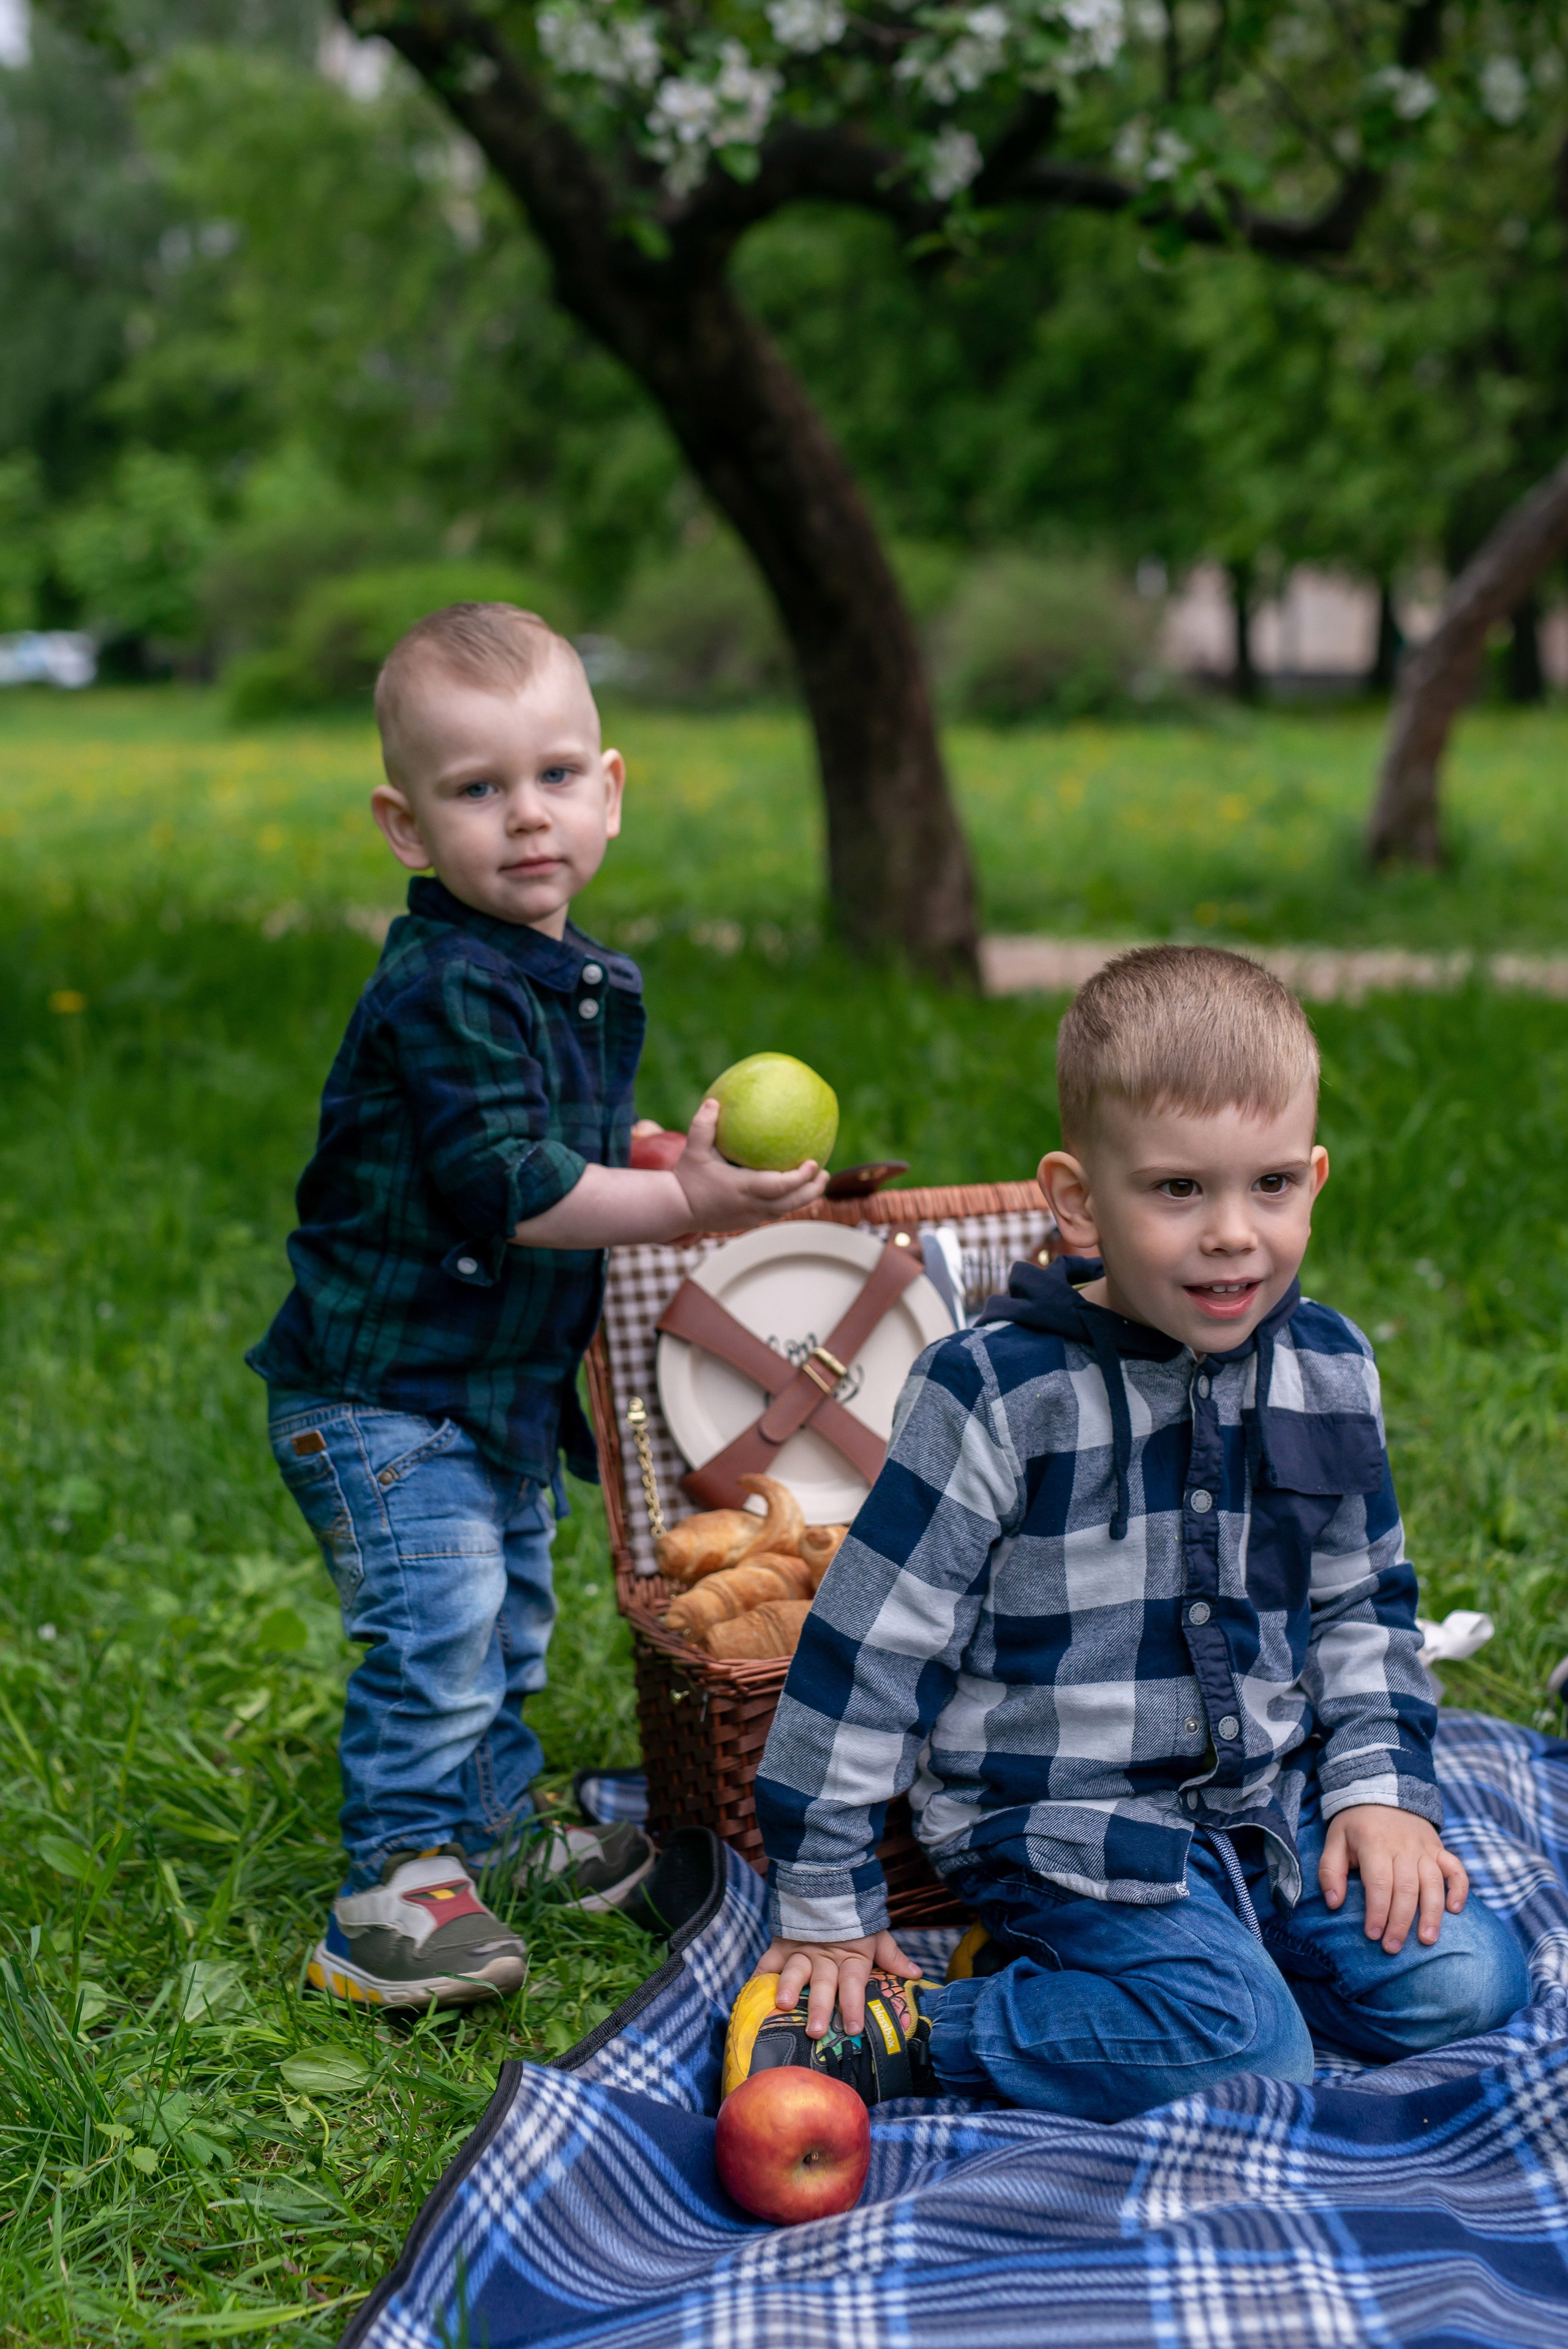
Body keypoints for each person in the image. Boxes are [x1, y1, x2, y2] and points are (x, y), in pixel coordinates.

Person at [729, 946, 1528, 2117]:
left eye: (1270, 1186)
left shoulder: (1328, 1369)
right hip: (1068, 1826)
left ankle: (1146, 1998)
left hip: (1266, 1809)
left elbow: (1365, 1606)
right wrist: (828, 1904)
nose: (1232, 1235)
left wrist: (1377, 1792)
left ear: (1315, 1178)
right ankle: (923, 2030)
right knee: (1246, 2057)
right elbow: (868, 1651)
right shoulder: (996, 1391)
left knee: (1467, 1980)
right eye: (1176, 1190)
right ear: (1074, 1198)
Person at [248, 602, 827, 2008]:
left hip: (487, 1389)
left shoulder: (549, 978)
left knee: (505, 1624)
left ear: (610, 793)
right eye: (476, 789)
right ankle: (388, 1886)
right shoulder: (447, 983)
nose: (525, 818)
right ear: (405, 826)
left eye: (556, 778)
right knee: (440, 1627)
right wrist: (685, 1202)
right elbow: (511, 1183)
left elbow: (556, 1147)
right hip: (384, 1392)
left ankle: (494, 1837)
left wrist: (632, 1159)